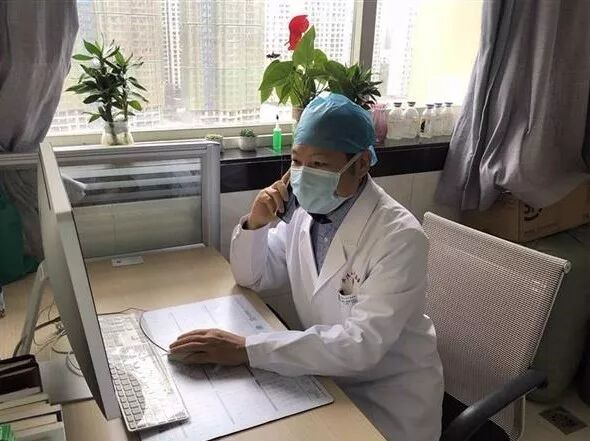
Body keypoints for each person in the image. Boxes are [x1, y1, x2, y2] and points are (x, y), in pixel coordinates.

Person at [169, 93, 444, 441]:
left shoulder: (399, 237)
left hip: (386, 400)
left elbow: (360, 346)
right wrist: (256, 223)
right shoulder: (306, 213)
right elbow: (254, 277)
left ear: (361, 164)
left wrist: (247, 349)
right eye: (296, 161)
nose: (302, 175)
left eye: (318, 164)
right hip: (325, 379)